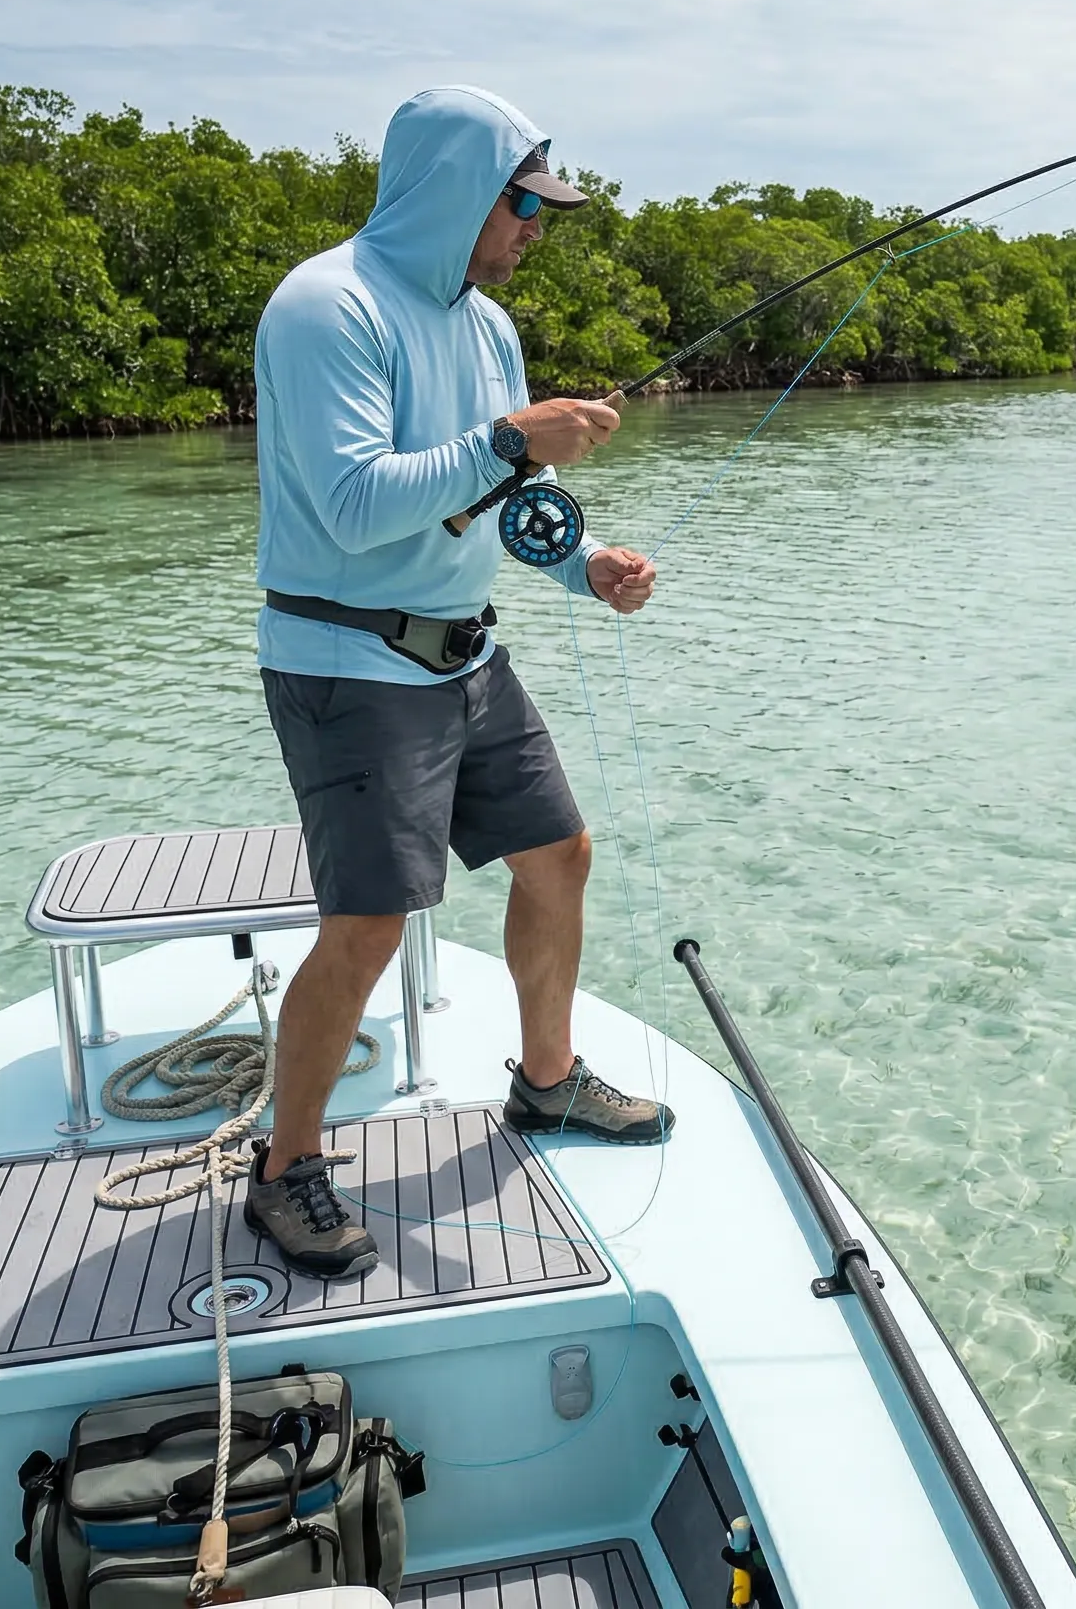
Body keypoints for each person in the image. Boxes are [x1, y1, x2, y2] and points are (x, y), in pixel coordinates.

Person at [246, 85, 668, 1280]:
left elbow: (502, 506)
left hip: (466, 649)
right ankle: (284, 1170)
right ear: (461, 192)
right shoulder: (325, 306)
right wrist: (507, 440)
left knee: (560, 853)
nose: (539, 224)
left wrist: (586, 564)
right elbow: (355, 503)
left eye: (546, 207)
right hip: (348, 657)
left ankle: (546, 1083)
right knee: (371, 921)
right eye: (526, 201)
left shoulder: (485, 326)